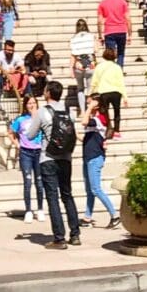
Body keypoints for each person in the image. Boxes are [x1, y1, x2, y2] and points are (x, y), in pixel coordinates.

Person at [23, 79, 80, 249]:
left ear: (47, 93)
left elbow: (30, 135)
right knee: (67, 195)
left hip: (48, 158)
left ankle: (59, 238)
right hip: (66, 158)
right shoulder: (69, 112)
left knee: (52, 197)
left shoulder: (42, 112)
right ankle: (75, 234)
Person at [79, 94, 121, 229]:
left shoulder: (99, 119)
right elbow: (90, 138)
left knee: (96, 189)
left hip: (95, 158)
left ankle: (114, 215)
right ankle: (87, 217)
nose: (87, 105)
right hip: (88, 156)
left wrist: (90, 108)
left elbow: (84, 122)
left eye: (90, 103)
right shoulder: (95, 120)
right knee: (89, 190)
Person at [11, 94, 46, 223]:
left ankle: (40, 209)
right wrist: (17, 145)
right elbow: (11, 132)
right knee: (27, 181)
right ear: (25, 105)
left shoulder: (41, 118)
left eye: (33, 103)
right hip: (26, 152)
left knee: (39, 181)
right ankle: (28, 210)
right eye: (29, 103)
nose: (31, 106)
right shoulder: (21, 119)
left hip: (39, 151)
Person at [90, 46, 128, 139]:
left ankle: (107, 128)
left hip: (104, 91)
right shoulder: (117, 67)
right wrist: (125, 97)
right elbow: (121, 82)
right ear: (114, 56)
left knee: (104, 111)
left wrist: (91, 93)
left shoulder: (99, 66)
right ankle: (117, 131)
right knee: (117, 111)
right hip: (116, 92)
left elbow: (95, 81)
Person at [97, 0, 132, 68]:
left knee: (110, 55)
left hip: (109, 31)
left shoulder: (102, 3)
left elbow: (99, 21)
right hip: (121, 30)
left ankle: (111, 71)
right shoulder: (122, 2)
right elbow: (128, 19)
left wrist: (100, 36)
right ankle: (119, 70)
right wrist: (130, 34)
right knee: (120, 53)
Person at [70, 18, 97, 112]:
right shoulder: (91, 36)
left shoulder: (73, 38)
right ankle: (90, 109)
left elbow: (73, 55)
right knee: (90, 89)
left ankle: (82, 110)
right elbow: (96, 50)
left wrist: (71, 69)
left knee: (80, 89)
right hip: (90, 63)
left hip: (78, 63)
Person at [0, 39, 28, 103]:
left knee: (26, 77)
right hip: (2, 77)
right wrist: (7, 72)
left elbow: (23, 69)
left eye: (12, 50)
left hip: (13, 77)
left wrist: (16, 70)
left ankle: (27, 98)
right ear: (4, 49)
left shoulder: (16, 56)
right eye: (8, 50)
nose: (10, 52)